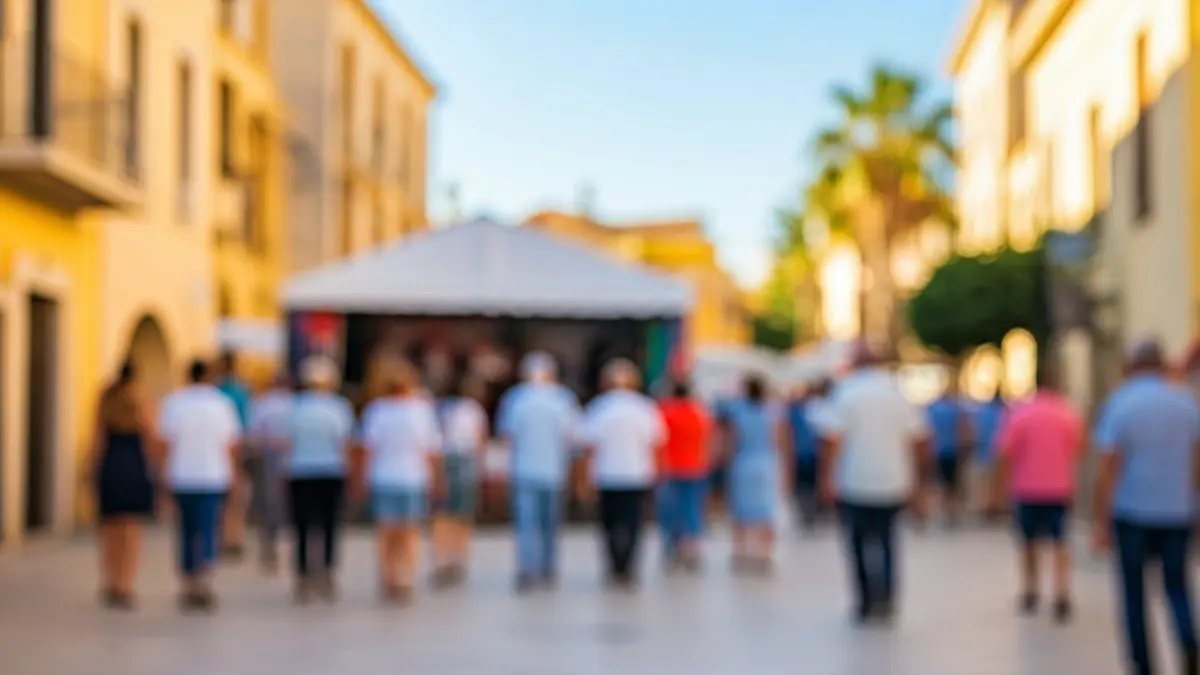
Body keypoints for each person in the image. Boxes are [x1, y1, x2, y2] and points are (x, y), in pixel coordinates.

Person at [1092, 338, 1200, 675]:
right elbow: (1196, 464)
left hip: (1133, 511)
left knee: (1133, 594)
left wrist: (1100, 519)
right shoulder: (1185, 403)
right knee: (1177, 586)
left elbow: (1109, 466)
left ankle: (1142, 663)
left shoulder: (1121, 403)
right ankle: (1188, 643)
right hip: (1177, 510)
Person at [820, 342, 928, 625]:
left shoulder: (845, 392)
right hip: (893, 480)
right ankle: (887, 599)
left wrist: (827, 478)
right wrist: (918, 479)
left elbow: (832, 439)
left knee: (857, 543)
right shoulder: (897, 393)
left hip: (855, 480)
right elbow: (918, 438)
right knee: (888, 542)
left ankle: (866, 601)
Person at [991, 366, 1083, 623]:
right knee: (1060, 542)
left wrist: (998, 491)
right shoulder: (1068, 414)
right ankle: (1061, 591)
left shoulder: (1020, 414)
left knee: (1028, 542)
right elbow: (1079, 448)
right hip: (1059, 488)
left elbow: (1006, 452)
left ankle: (1031, 590)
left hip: (1027, 488)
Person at [156, 358, 241, 612]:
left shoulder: (174, 402)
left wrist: (163, 473)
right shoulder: (221, 403)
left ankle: (188, 582)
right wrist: (234, 473)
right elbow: (230, 443)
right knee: (208, 529)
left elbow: (165, 443)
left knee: (185, 530)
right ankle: (204, 579)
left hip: (182, 476)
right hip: (212, 476)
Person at [359, 358, 442, 604]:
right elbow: (430, 450)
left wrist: (362, 477)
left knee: (386, 533)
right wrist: (437, 478)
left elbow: (368, 448)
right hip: (412, 478)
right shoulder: (421, 411)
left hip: (383, 477)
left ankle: (388, 576)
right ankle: (405, 577)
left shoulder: (377, 411)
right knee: (409, 533)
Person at [496, 352, 580, 593]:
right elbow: (572, 438)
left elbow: (506, 437)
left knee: (526, 524)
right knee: (550, 525)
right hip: (554, 471)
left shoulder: (515, 399)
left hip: (523, 471)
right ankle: (548, 568)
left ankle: (527, 569)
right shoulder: (562, 399)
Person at [578, 359, 664, 590]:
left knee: (609, 524)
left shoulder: (599, 408)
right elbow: (656, 444)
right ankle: (628, 566)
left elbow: (588, 448)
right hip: (637, 475)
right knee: (633, 524)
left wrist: (584, 479)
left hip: (607, 475)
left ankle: (615, 565)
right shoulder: (644, 407)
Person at [285, 356, 355, 604]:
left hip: (301, 471)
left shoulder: (295, 407)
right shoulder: (339, 407)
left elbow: (287, 441)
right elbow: (345, 442)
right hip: (330, 471)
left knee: (303, 526)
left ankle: (304, 574)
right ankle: (326, 572)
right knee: (329, 526)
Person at [91, 360, 155, 609]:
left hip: (111, 462)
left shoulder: (107, 398)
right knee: (131, 528)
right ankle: (126, 584)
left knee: (110, 526)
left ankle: (111, 581)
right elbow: (151, 433)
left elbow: (97, 438)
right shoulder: (141, 399)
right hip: (134, 462)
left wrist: (90, 469)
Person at [719, 372, 787, 572]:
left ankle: (740, 551)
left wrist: (726, 462)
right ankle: (764, 553)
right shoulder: (772, 412)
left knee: (741, 510)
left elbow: (732, 441)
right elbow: (780, 441)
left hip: (743, 463)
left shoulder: (737, 411)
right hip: (766, 464)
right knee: (766, 511)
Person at [431, 375, 489, 587]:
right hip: (465, 461)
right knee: (462, 514)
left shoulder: (437, 409)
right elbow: (479, 440)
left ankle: (443, 558)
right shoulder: (472, 409)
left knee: (443, 514)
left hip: (445, 460)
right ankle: (458, 558)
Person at [656, 378, 713, 571]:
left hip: (670, 468)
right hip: (696, 467)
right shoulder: (699, 413)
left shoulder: (665, 412)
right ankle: (691, 547)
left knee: (670, 510)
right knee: (692, 509)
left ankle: (672, 547)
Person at [245, 373, 293, 573]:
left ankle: (270, 545)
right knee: (287, 504)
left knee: (270, 503)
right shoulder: (295, 404)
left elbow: (253, 435)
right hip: (292, 457)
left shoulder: (262, 404)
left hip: (270, 456)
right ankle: (285, 547)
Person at [215, 350, 252, 559]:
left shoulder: (217, 391)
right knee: (238, 494)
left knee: (223, 495)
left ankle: (224, 536)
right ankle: (234, 536)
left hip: (218, 447)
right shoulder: (239, 391)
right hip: (235, 444)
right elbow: (245, 424)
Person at [926, 377, 973, 527]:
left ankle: (949, 511)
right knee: (952, 483)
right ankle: (951, 511)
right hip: (949, 450)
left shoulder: (935, 408)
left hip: (942, 450)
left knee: (946, 483)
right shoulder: (955, 408)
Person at [786, 381, 823, 530]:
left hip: (810, 454)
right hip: (801, 453)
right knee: (802, 485)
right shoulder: (793, 411)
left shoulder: (813, 409)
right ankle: (806, 512)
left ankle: (810, 512)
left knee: (809, 484)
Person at [973, 391, 1007, 521]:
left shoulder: (984, 413)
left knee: (987, 483)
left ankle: (990, 506)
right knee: (996, 482)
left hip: (985, 452)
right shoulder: (1003, 413)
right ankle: (994, 506)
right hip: (997, 453)